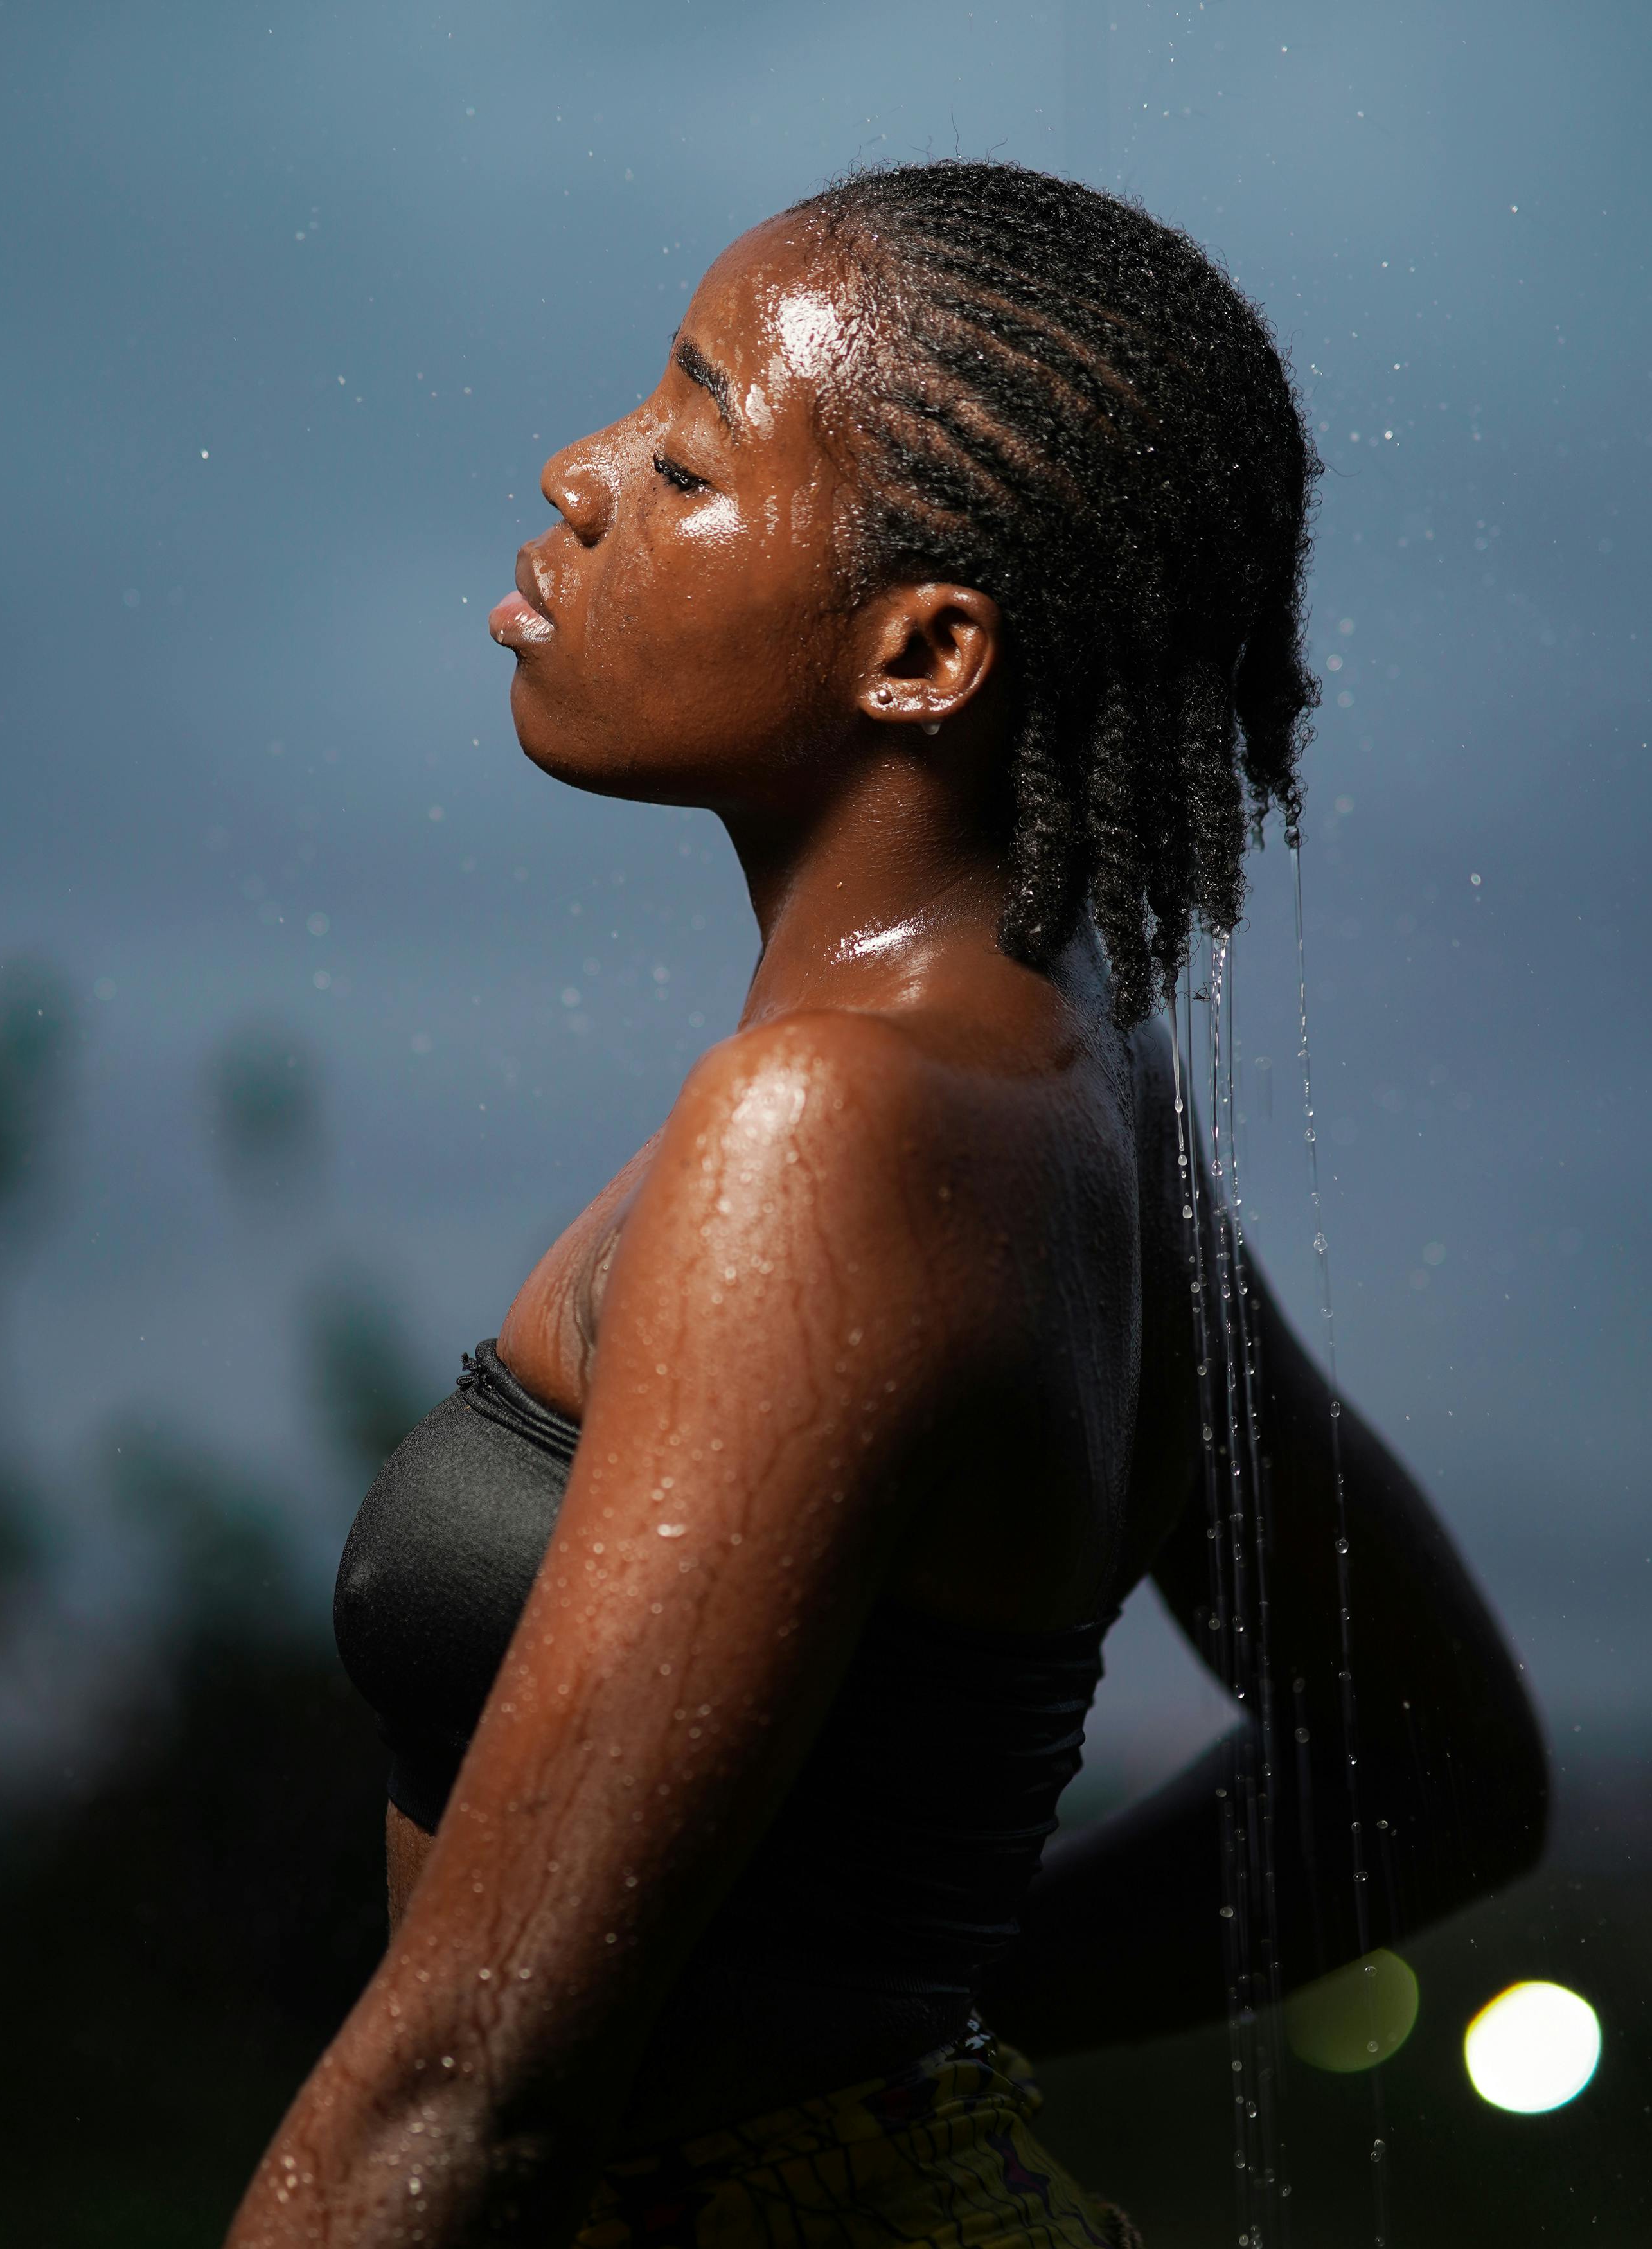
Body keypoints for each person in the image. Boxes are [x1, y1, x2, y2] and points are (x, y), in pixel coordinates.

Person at [226, 161, 1547, 2248]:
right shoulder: (1065, 1090)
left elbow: (466, 2096)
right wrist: (906, 2016)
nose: (578, 476)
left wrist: (836, 2047)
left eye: (681, 457)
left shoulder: (836, 1129)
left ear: (926, 651)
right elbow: (1434, 1764)